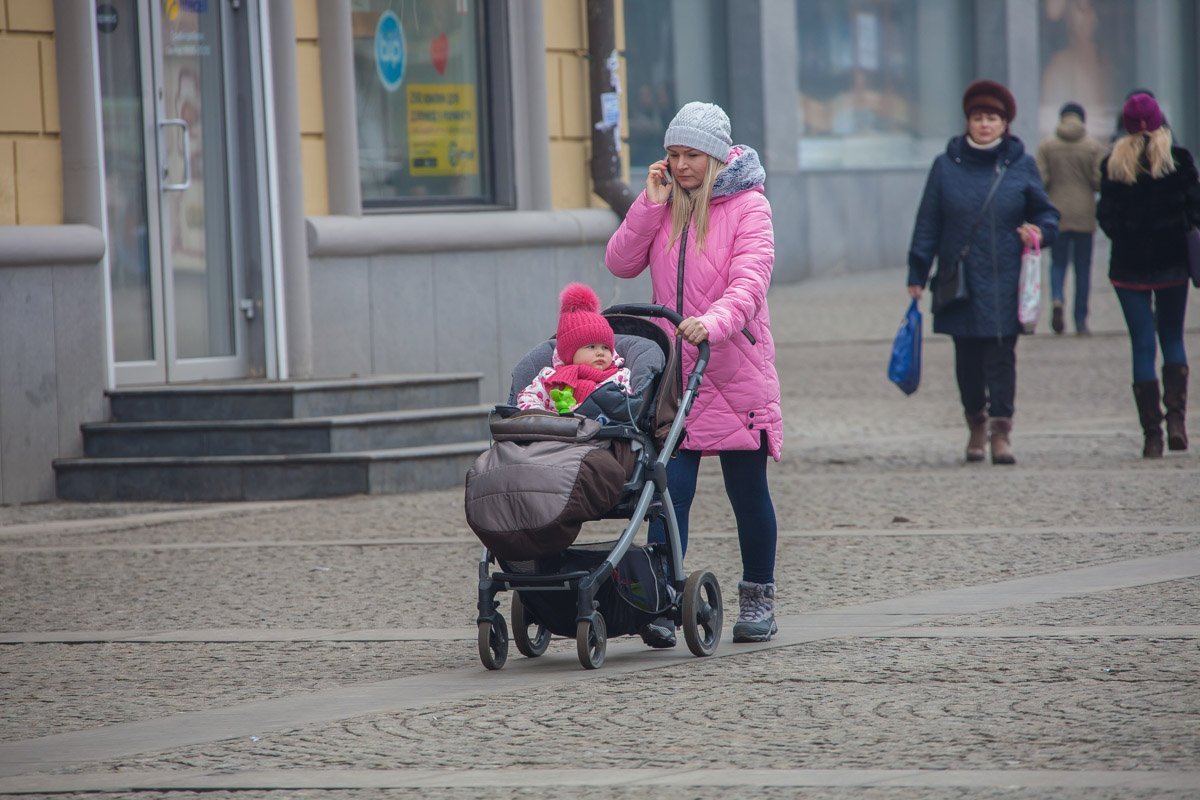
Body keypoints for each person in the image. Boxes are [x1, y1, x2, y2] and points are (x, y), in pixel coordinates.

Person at [605, 101, 782, 646]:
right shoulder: (665, 204)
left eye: (691, 156)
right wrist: (647, 205)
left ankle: (758, 594)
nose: (681, 165)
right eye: (673, 155)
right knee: (665, 491)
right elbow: (619, 262)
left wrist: (714, 321)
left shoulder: (750, 207)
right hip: (676, 379)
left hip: (734, 368)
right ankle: (658, 597)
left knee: (747, 493)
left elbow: (751, 280)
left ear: (717, 156)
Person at [907, 79, 1060, 465]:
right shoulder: (946, 166)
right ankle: (976, 422)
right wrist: (917, 272)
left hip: (1006, 279)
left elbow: (1046, 213)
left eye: (993, 117)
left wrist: (1040, 230)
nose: (985, 124)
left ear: (1005, 123)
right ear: (968, 122)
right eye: (978, 117)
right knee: (968, 361)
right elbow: (928, 222)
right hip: (959, 282)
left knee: (1002, 356)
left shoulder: (1021, 164)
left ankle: (1001, 432)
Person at [1096, 92, 1200, 458]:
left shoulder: (1114, 164)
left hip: (1129, 268)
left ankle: (1151, 435)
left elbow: (1105, 218)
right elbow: (1195, 210)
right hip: (1172, 265)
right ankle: (1176, 422)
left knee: (1142, 344)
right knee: (1172, 338)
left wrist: (1127, 235)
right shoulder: (1179, 161)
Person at [1036, 102, 1106, 335]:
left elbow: (1040, 180)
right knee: (1083, 268)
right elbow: (1099, 180)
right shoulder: (1093, 146)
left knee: (1057, 263)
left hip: (1056, 214)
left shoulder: (1047, 146)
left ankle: (1057, 299)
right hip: (1084, 213)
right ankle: (1080, 319)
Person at [515, 283, 632, 415]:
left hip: (601, 430)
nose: (600, 352)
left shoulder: (619, 377)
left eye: (605, 347)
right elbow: (527, 397)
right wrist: (543, 418)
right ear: (570, 354)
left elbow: (626, 404)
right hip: (555, 431)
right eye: (591, 347)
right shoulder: (552, 378)